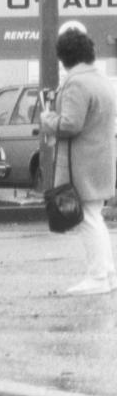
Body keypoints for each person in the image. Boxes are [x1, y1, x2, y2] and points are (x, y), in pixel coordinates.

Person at [40, 22, 117, 296]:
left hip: (81, 165)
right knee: (95, 217)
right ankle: (107, 274)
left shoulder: (76, 83)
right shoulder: (100, 80)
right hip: (101, 161)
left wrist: (47, 118)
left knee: (86, 219)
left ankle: (97, 276)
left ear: (64, 57)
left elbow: (70, 124)